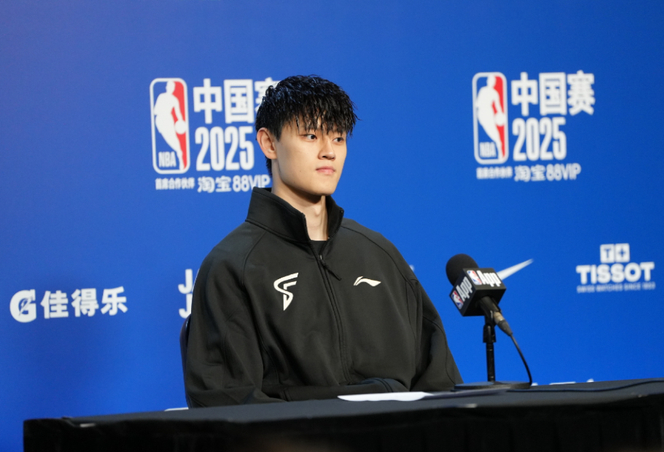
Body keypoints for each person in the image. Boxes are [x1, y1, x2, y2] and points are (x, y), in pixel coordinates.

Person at [184, 75, 462, 406]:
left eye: (338, 138)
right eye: (311, 136)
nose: (329, 152)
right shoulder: (232, 266)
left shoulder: (379, 253)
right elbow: (228, 402)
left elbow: (440, 383)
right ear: (269, 143)